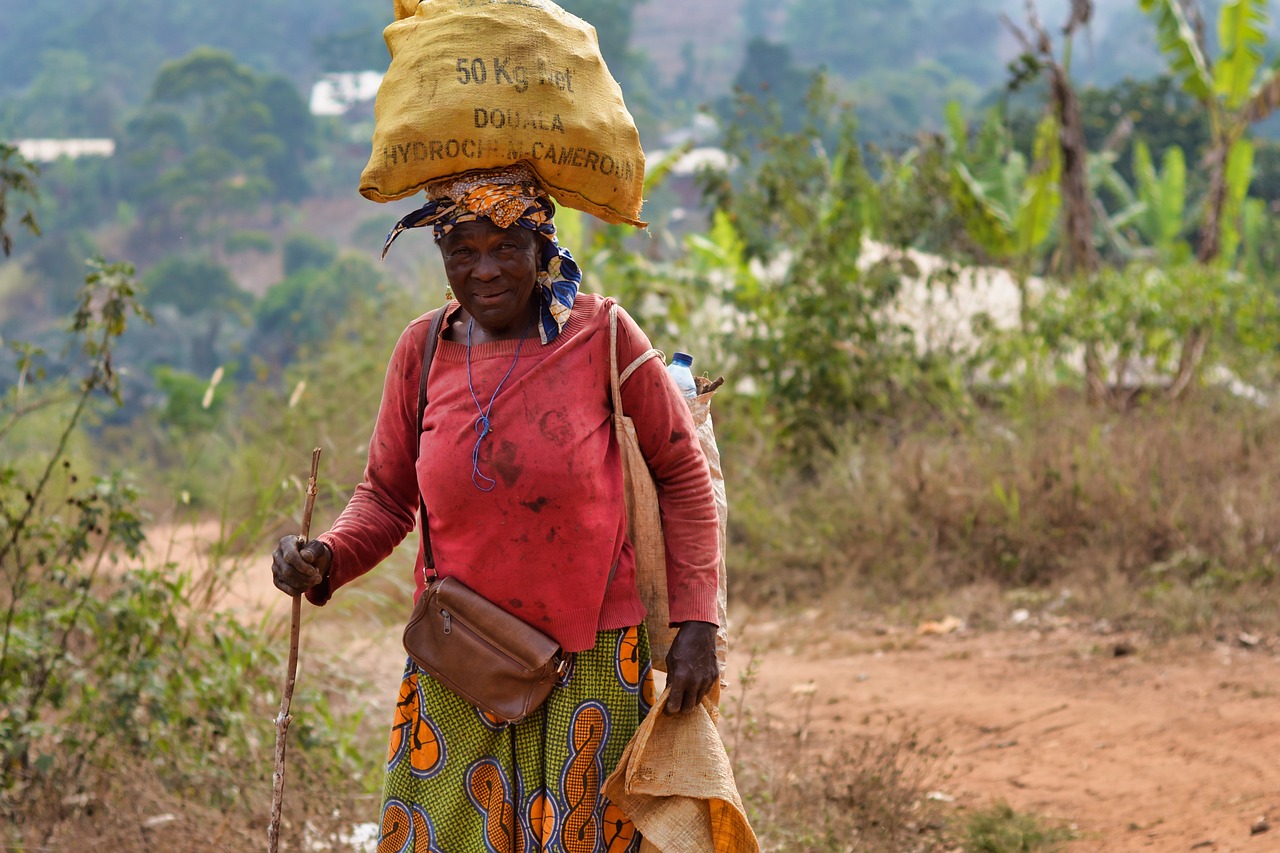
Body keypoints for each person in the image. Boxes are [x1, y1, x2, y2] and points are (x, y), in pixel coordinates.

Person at [271, 163, 720, 852]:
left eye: (506, 245)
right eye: (463, 250)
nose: (485, 270)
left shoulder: (603, 335)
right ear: (441, 256)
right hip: (459, 661)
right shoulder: (421, 351)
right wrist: (326, 556)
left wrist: (696, 623)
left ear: (542, 247)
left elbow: (682, 476)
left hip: (592, 658)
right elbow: (388, 497)